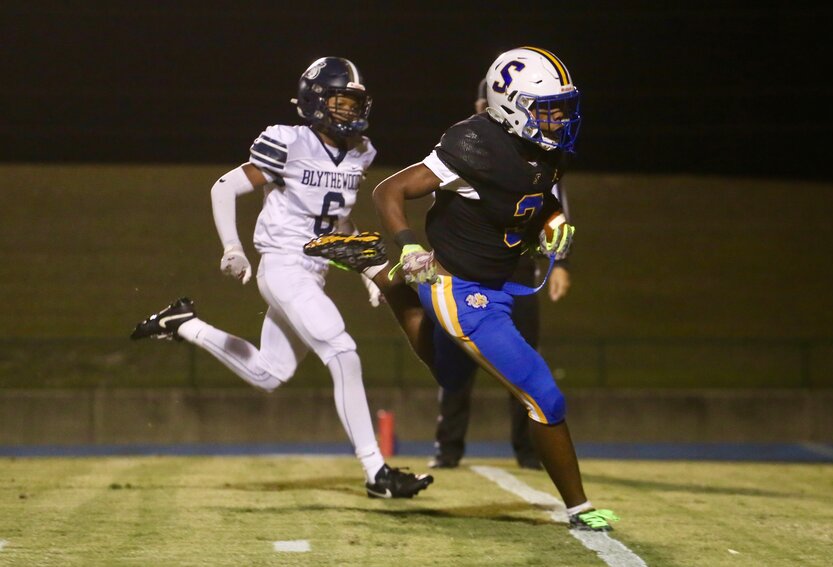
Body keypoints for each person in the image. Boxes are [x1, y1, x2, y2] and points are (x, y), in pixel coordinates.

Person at [305, 47, 618, 531]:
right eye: (546, 108)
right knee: (543, 395)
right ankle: (579, 508)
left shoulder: (546, 147)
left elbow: (538, 198)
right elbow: (388, 191)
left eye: (562, 107)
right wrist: (409, 246)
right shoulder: (474, 143)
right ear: (509, 104)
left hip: (501, 277)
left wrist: (552, 224)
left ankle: (384, 279)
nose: (558, 118)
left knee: (450, 376)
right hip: (455, 280)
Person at [130, 56, 433, 499]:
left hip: (316, 269)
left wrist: (366, 269)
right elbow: (224, 187)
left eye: (355, 102)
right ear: (315, 100)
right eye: (341, 101)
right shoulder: (287, 142)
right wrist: (231, 246)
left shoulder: (362, 151)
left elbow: (338, 222)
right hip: (283, 263)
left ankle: (185, 324)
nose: (350, 111)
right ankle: (376, 472)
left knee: (270, 373)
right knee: (343, 350)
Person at [428, 79, 573, 471]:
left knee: (525, 362)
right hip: (467, 270)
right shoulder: (467, 146)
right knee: (455, 365)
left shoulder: (541, 152)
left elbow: (551, 205)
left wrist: (561, 261)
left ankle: (528, 450)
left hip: (518, 271)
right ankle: (448, 448)